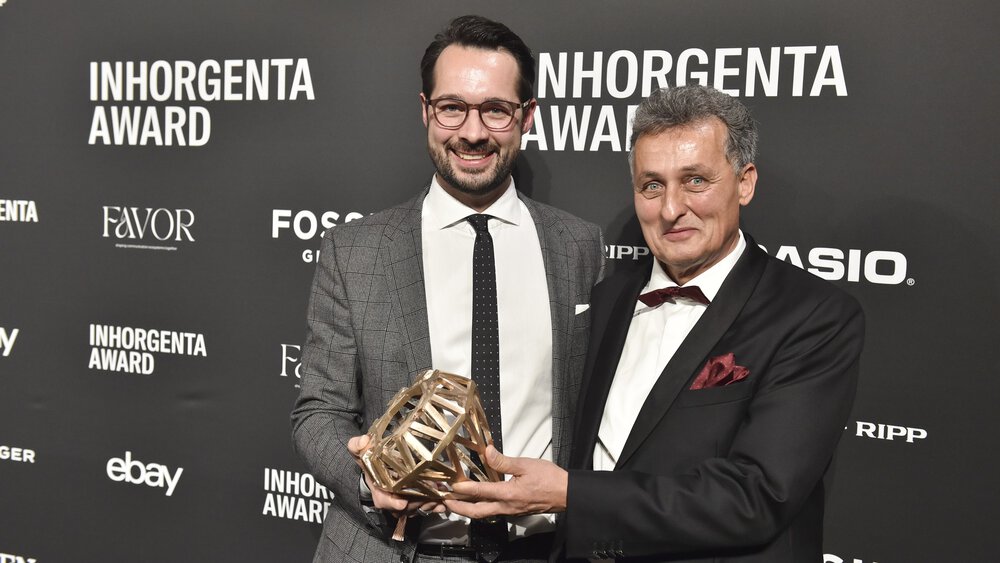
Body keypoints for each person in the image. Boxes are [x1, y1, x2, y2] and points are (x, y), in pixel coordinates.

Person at [445, 85, 865, 563]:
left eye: (695, 181)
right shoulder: (608, 296)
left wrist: (572, 496)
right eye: (652, 185)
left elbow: (758, 496)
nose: (670, 208)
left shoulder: (813, 316)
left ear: (744, 182)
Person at [290, 14, 605, 563]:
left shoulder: (579, 246)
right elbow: (318, 410)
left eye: (496, 110)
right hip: (393, 551)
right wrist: (367, 482)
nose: (474, 132)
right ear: (425, 111)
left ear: (526, 117)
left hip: (540, 551)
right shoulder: (356, 251)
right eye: (453, 107)